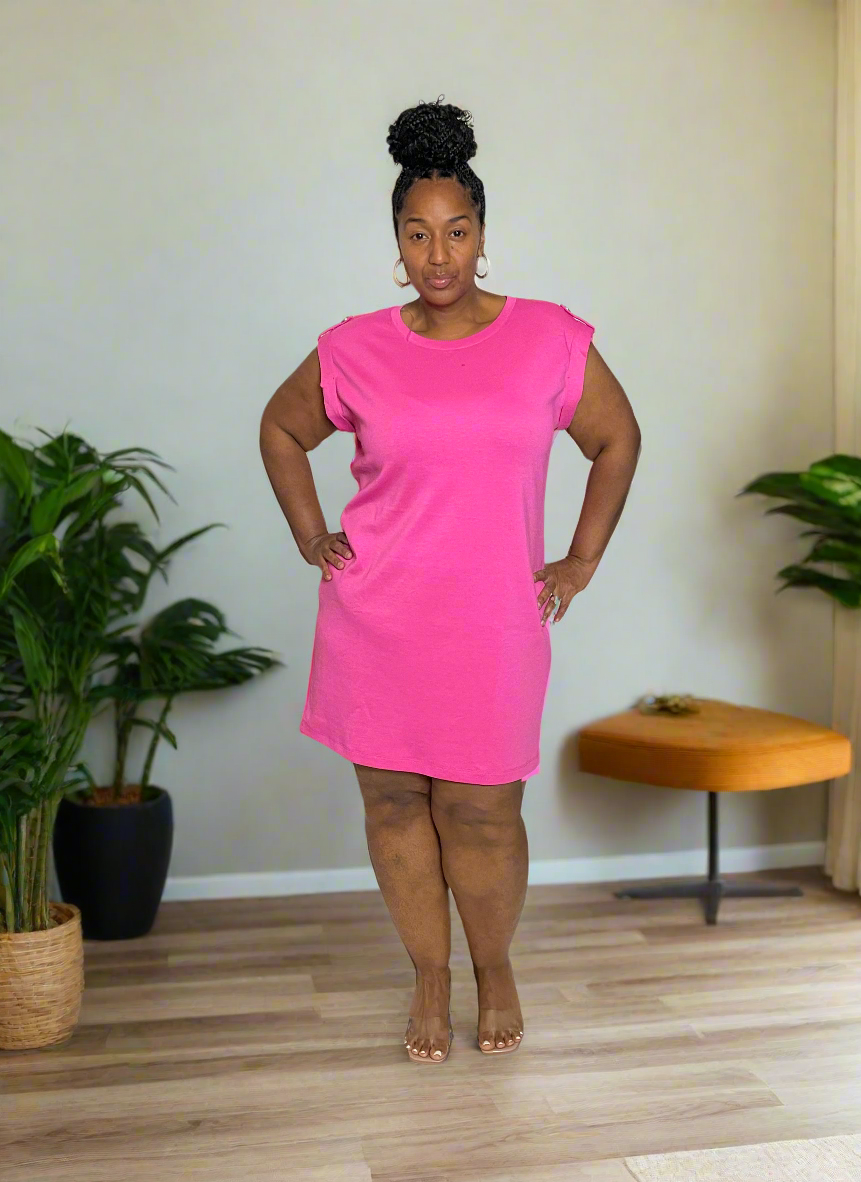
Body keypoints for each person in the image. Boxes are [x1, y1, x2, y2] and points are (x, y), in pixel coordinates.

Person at [259, 96, 641, 1064]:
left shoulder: (548, 338)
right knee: (394, 808)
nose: (438, 255)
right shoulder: (352, 348)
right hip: (376, 619)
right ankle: (428, 975)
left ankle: (492, 965)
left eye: (456, 231)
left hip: (490, 623)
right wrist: (311, 535)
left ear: (481, 234)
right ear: (396, 241)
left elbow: (616, 438)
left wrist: (580, 559)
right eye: (417, 234)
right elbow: (280, 428)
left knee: (482, 812)